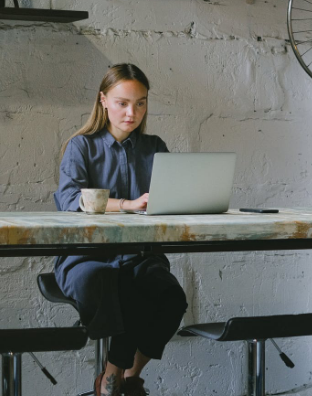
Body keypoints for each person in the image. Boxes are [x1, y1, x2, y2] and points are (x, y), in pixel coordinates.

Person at [53, 64, 187, 396]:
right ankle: (112, 380)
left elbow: (172, 199)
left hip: (141, 255)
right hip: (87, 258)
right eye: (123, 103)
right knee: (129, 287)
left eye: (140, 103)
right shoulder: (82, 147)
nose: (132, 112)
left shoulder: (154, 147)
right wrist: (126, 204)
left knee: (172, 298)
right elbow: (70, 199)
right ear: (103, 101)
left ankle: (125, 375)